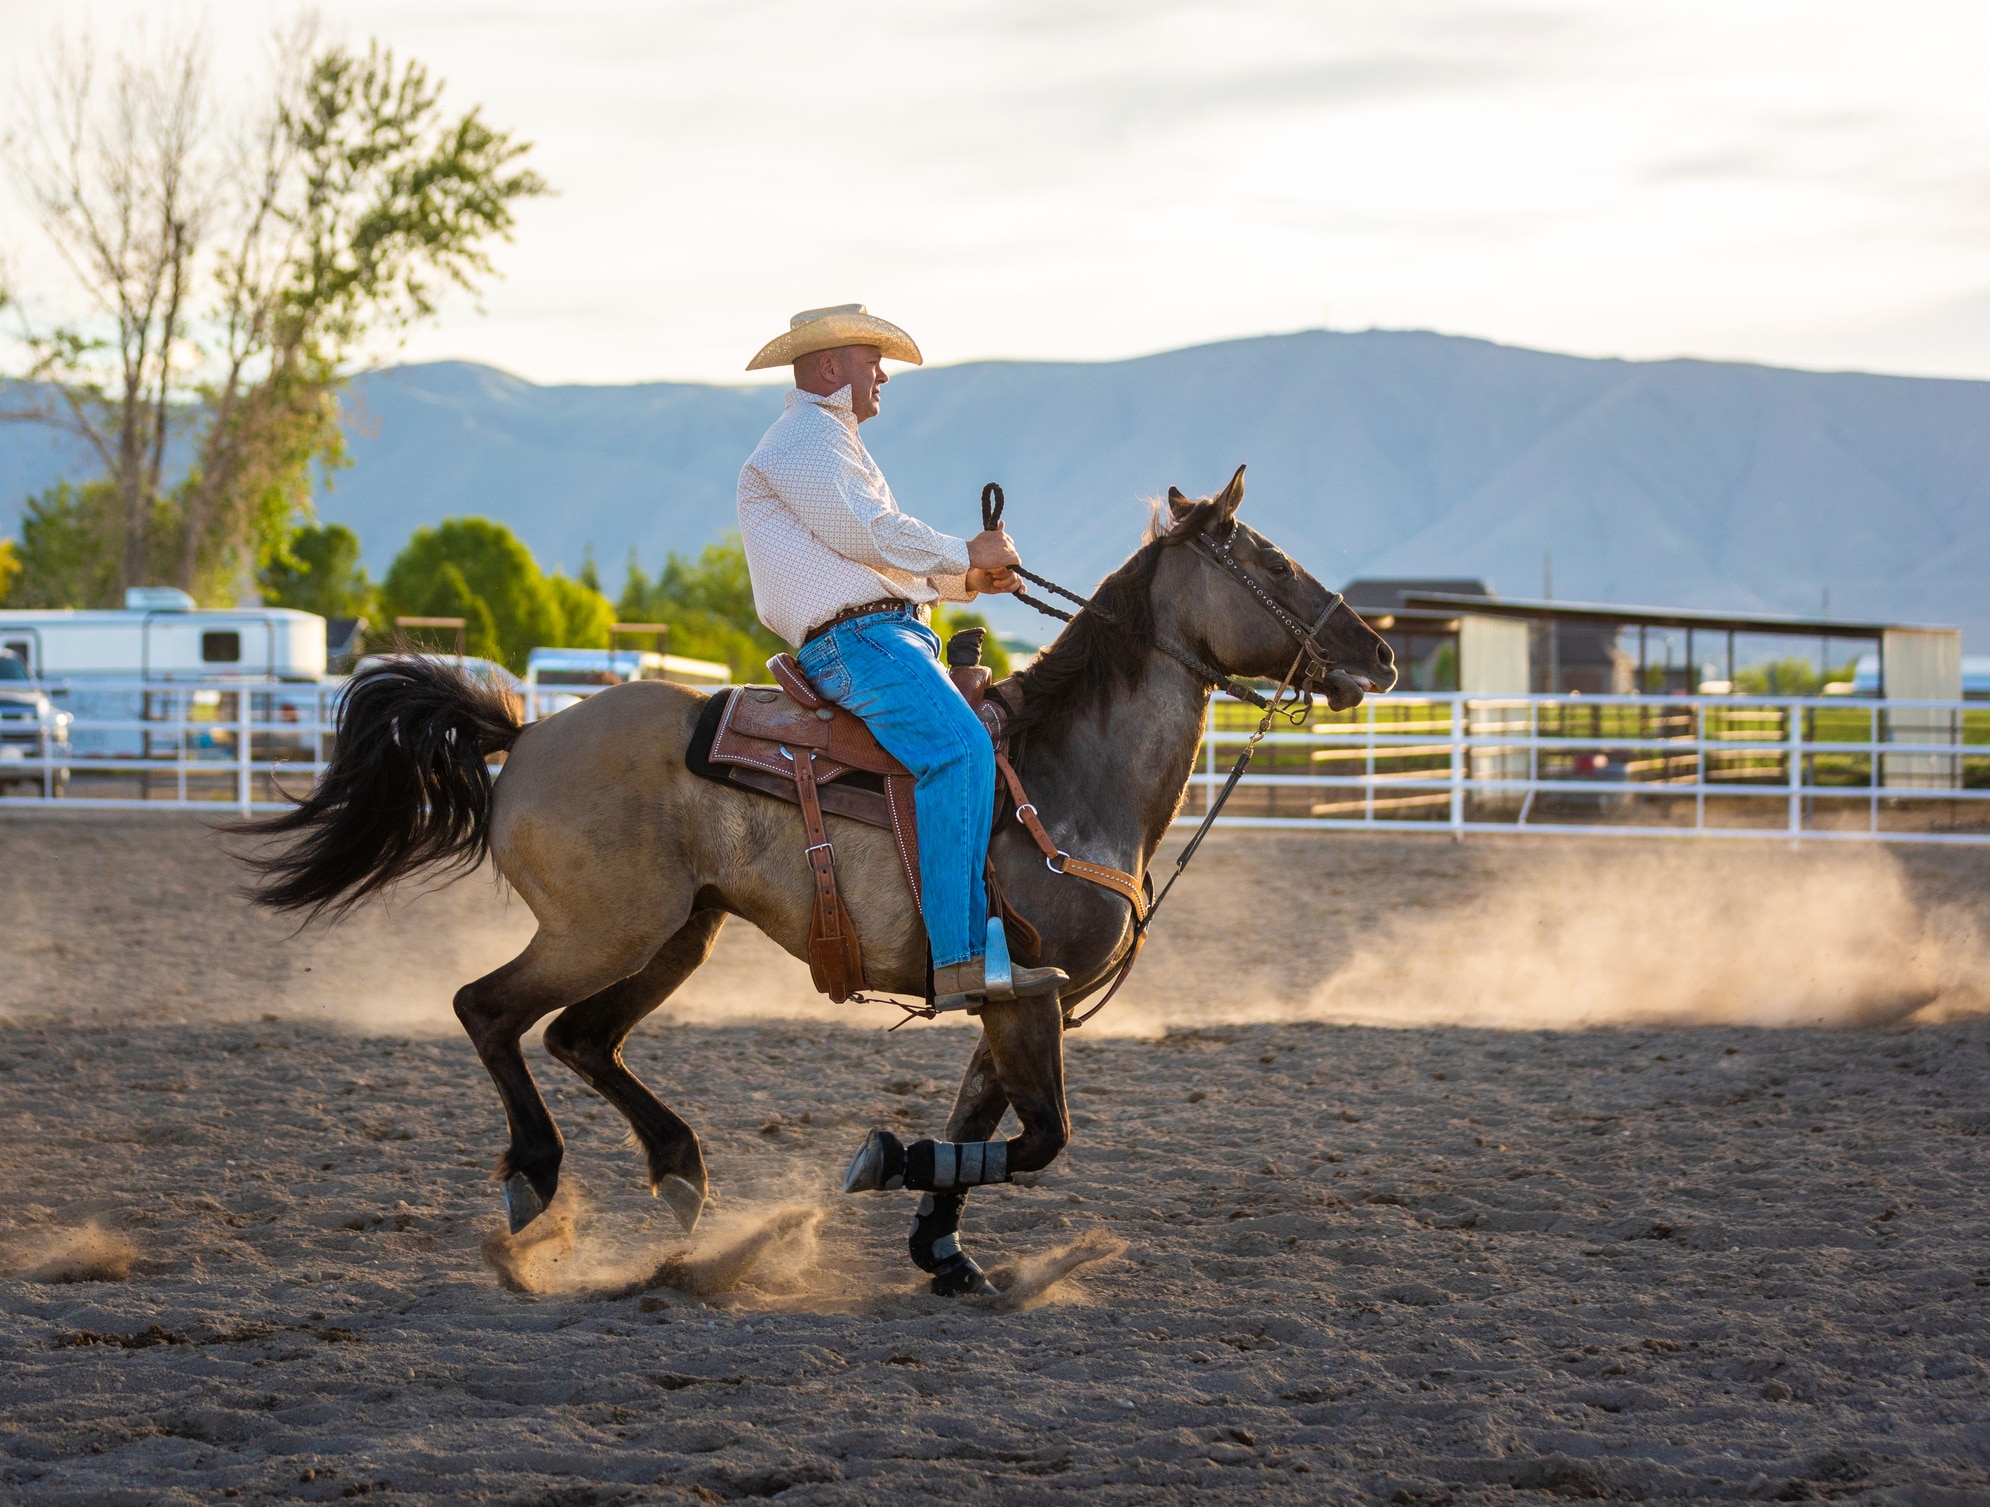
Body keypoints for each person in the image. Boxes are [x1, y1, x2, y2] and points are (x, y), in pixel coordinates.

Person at [736, 304, 1066, 1010]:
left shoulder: (829, 443)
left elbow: (876, 556)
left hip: (883, 635)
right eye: (871, 359)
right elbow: (869, 535)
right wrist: (965, 554)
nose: (883, 373)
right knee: (960, 752)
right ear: (830, 367)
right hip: (860, 643)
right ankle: (959, 961)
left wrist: (965, 579)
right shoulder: (801, 441)